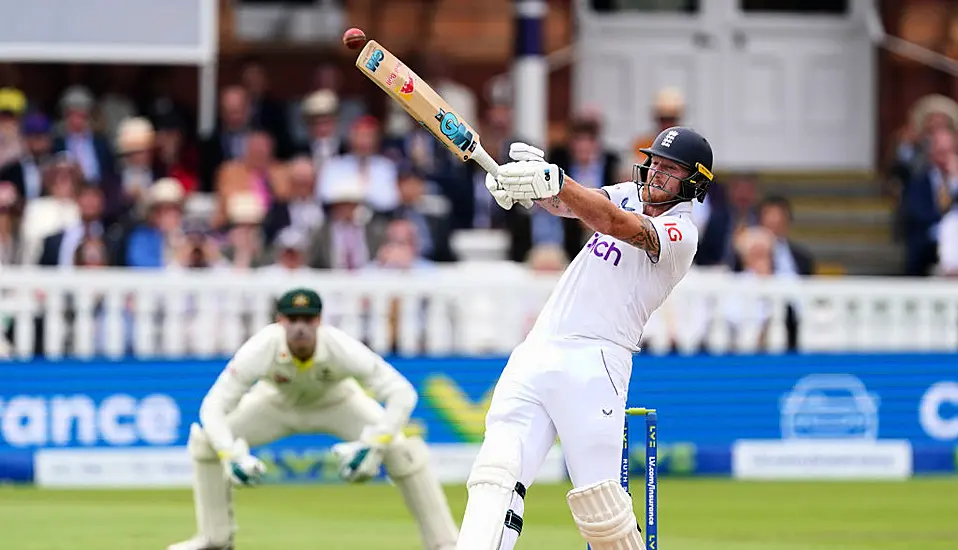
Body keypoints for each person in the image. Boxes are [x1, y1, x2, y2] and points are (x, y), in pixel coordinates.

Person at [460, 127, 713, 550]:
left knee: (602, 511)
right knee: (494, 475)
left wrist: (556, 177)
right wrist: (524, 183)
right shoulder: (627, 192)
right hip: (538, 349)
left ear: (694, 182)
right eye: (654, 163)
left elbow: (612, 223)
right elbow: (569, 204)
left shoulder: (681, 234)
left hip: (596, 362)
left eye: (669, 169)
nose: (654, 174)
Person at [168, 288, 458, 550]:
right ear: (280, 321)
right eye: (293, 320)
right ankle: (215, 539)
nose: (300, 328)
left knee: (402, 450)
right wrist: (230, 454)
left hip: (337, 403)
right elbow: (213, 406)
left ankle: (444, 542)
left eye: (308, 319)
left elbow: (402, 393)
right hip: (274, 405)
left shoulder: (339, 345)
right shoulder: (261, 347)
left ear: (319, 321)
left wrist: (375, 443)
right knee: (206, 442)